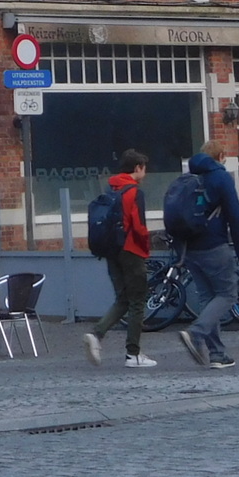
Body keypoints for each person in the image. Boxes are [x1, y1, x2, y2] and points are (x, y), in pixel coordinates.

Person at [178, 141, 239, 371]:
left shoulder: (189, 178)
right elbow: (234, 215)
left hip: (190, 247)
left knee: (207, 298)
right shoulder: (221, 177)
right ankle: (196, 332)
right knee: (228, 294)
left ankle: (217, 354)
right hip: (214, 246)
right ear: (220, 156)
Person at [83, 149, 155, 369]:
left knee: (123, 298)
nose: (145, 173)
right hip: (131, 250)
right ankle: (133, 354)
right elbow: (139, 227)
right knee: (137, 301)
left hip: (111, 250)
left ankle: (97, 334)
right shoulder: (134, 192)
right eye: (144, 168)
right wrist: (146, 248)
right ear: (138, 168)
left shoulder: (111, 188)